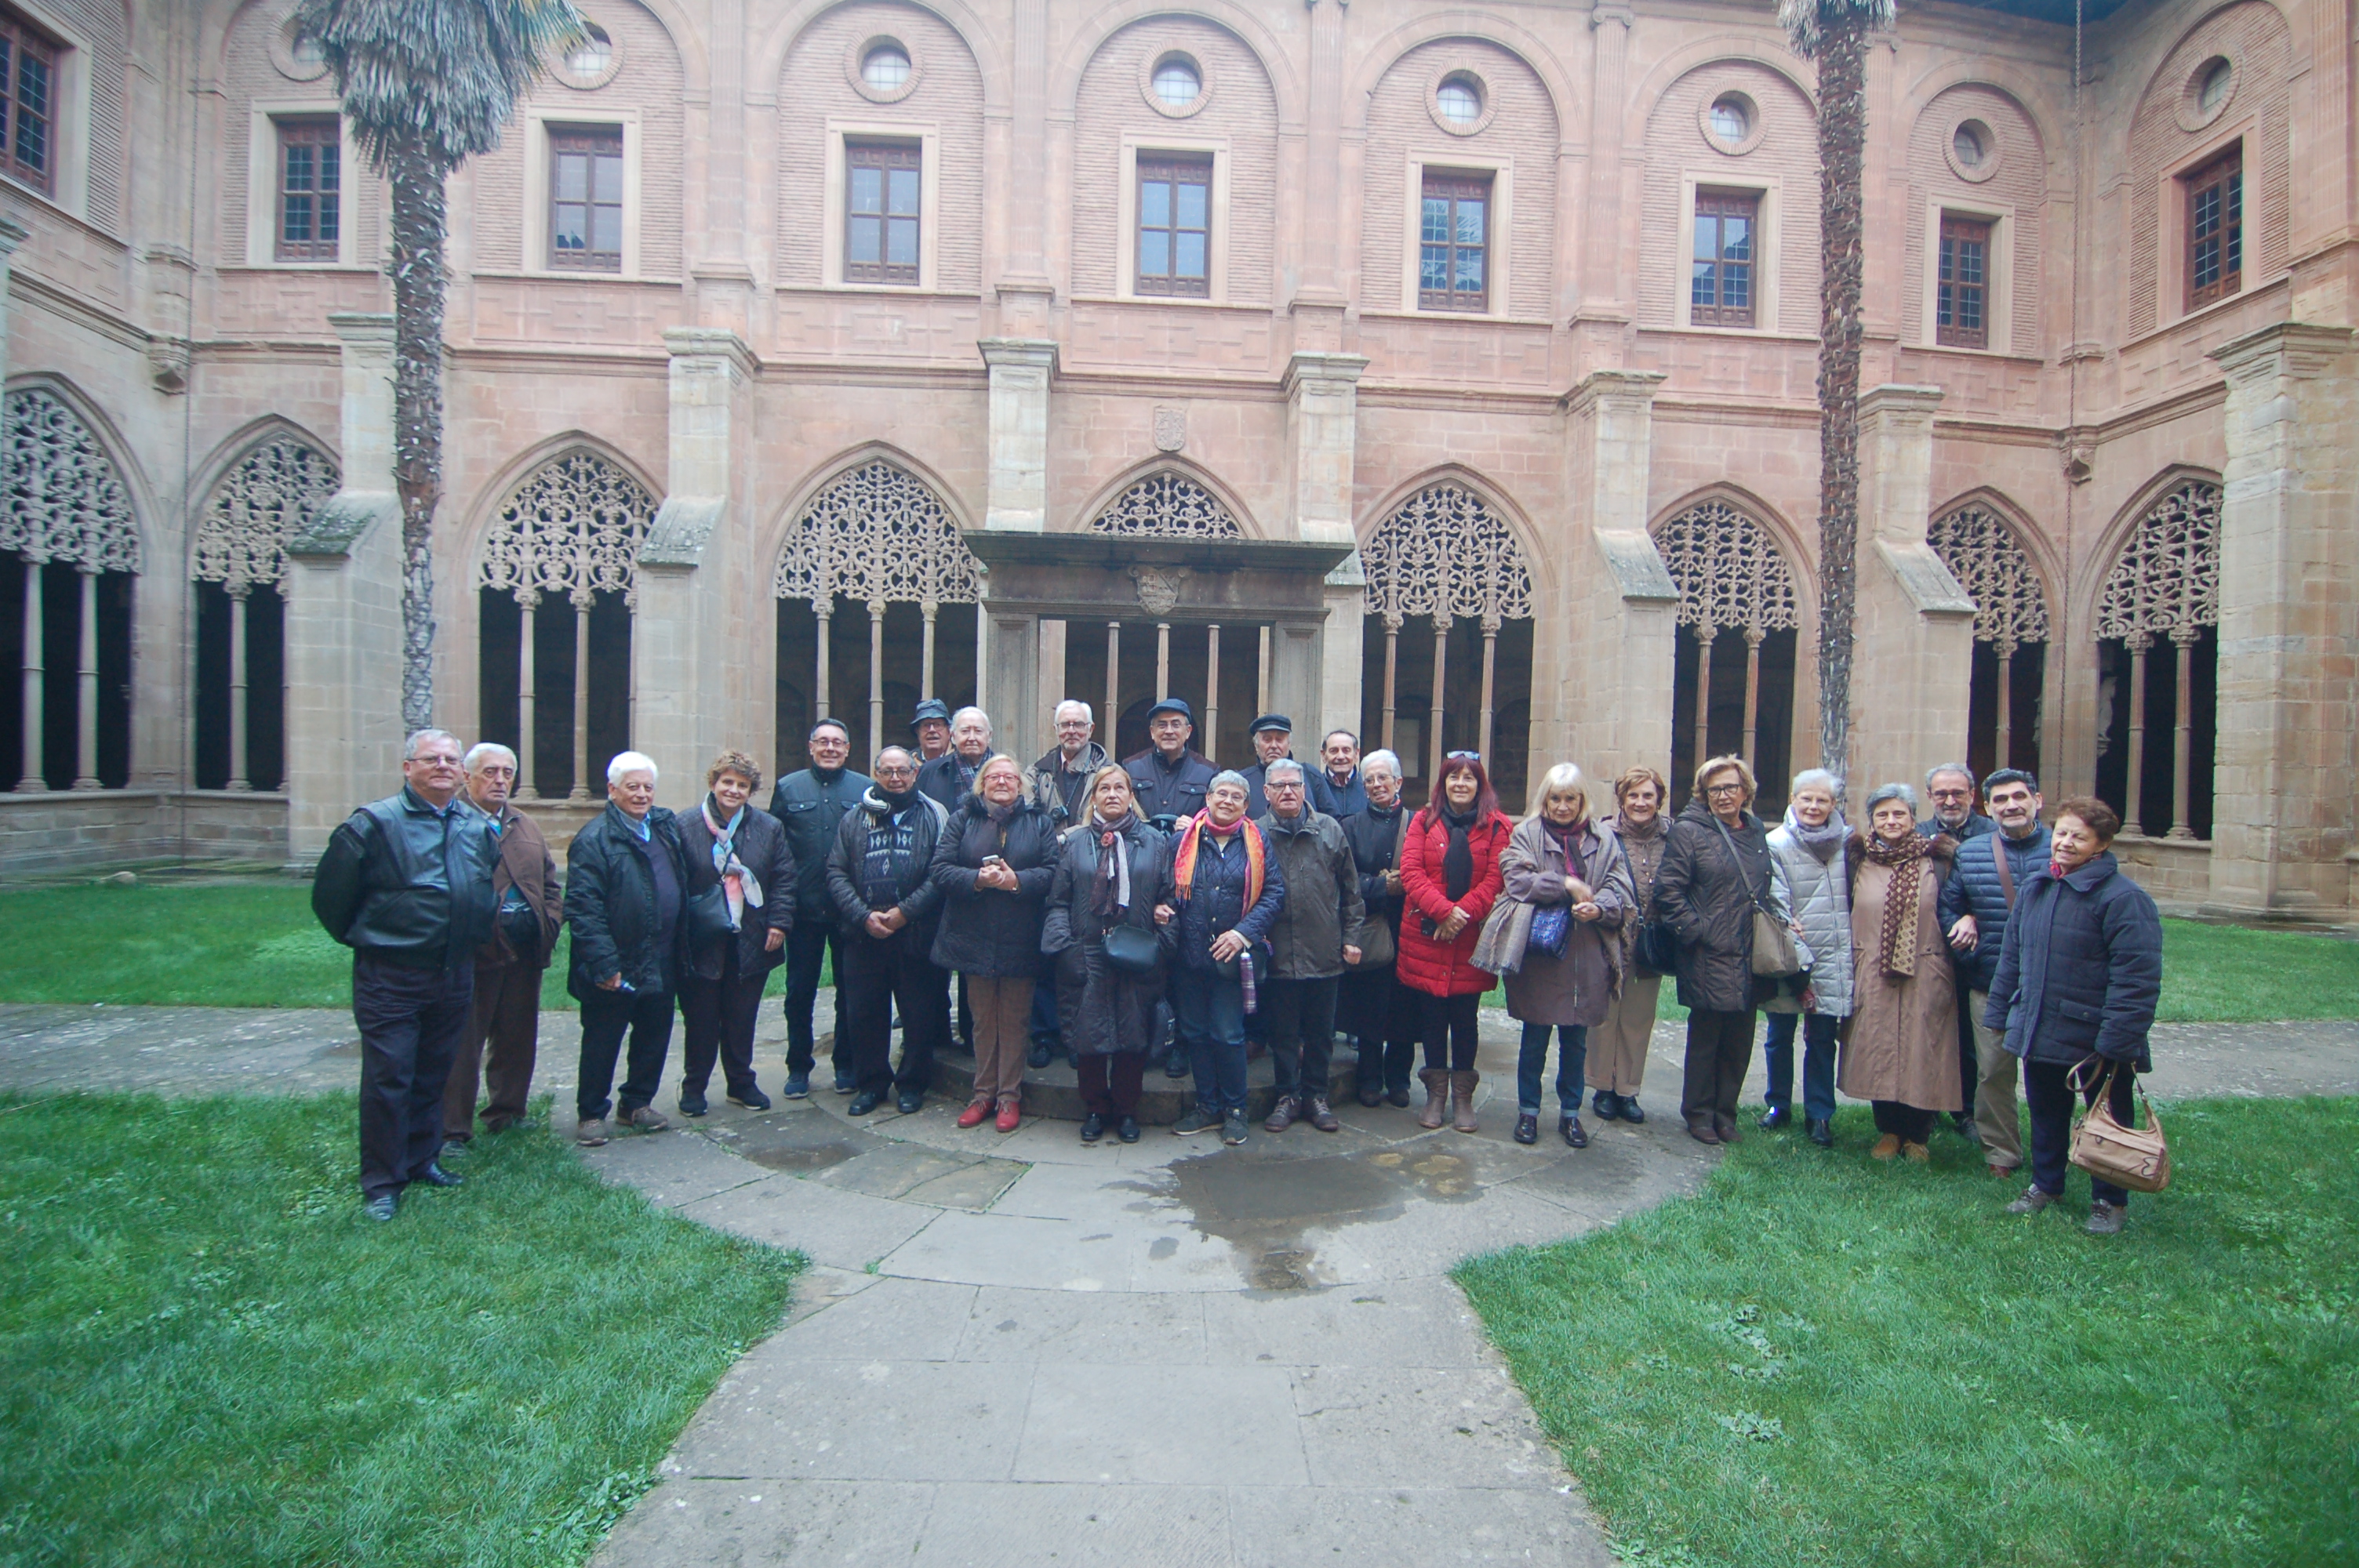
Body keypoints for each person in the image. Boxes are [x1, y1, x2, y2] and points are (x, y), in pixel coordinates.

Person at [311, 728, 498, 1221]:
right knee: (389, 1077)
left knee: (434, 1071)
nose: (443, 767)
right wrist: (378, 938)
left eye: (451, 760)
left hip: (453, 972)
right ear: (408, 767)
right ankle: (382, 1182)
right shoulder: (375, 823)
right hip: (392, 975)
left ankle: (421, 1160)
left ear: (462, 772)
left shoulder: (474, 826)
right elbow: (331, 899)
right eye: (431, 759)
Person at [1984, 797, 2161, 1236]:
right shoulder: (2037, 888)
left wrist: (2117, 1041)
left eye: (2078, 837)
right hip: (2041, 1026)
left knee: (2108, 1120)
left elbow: (2137, 979)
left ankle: (2109, 1201)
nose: (2064, 842)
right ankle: (2046, 1185)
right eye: (2061, 833)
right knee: (2046, 1111)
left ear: (2101, 844)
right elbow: (2012, 956)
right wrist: (2001, 1012)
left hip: (2097, 1036)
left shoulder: (2124, 899)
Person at [1478, 764, 1633, 1149]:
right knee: (1534, 1040)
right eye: (1555, 799)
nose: (1563, 807)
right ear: (1544, 800)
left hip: (1586, 954)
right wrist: (1565, 884)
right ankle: (1528, 1112)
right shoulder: (1526, 834)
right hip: (1541, 956)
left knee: (1575, 1043)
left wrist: (1599, 907)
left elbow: (1620, 887)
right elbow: (1516, 879)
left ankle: (1571, 1114)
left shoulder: (1604, 838)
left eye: (1570, 799)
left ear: (1582, 801)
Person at [565, 751, 693, 1148]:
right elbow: (583, 908)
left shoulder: (663, 828)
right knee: (603, 1038)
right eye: (632, 787)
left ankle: (636, 1103)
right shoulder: (594, 839)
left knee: (654, 1034)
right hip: (617, 959)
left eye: (647, 787)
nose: (641, 795)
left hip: (661, 953)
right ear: (612, 790)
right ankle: (591, 1113)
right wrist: (604, 963)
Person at [1041, 765, 1176, 1143]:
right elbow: (1057, 901)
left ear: (1131, 796)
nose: (1112, 794)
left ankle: (1127, 1109)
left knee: (1133, 1035)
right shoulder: (1074, 843)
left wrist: (1162, 942)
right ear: (1094, 797)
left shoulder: (1155, 842)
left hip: (1138, 953)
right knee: (1090, 1036)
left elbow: (1169, 895)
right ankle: (1096, 1108)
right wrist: (1066, 948)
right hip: (1086, 952)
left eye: (1120, 788)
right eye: (1104, 788)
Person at [1652, 754, 1779, 1146]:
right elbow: (1668, 891)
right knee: (1707, 1038)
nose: (1723, 796)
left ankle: (1726, 1114)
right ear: (1703, 795)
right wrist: (1697, 932)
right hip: (1707, 952)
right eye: (1714, 790)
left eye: (1730, 788)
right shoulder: (1689, 832)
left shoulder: (1755, 830)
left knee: (1739, 1040)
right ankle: (1699, 1113)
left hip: (1749, 950)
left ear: (1746, 792)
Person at [442, 742, 561, 1152]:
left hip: (524, 948)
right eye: (490, 772)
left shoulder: (524, 824)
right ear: (467, 776)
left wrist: (549, 921)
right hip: (473, 951)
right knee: (463, 1041)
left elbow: (550, 882)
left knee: (516, 1035)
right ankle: (452, 1128)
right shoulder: (450, 821)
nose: (500, 780)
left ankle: (507, 1112)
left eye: (507, 773)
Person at [1837, 782, 1963, 1162]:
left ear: (1913, 818)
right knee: (1878, 1048)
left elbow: (1959, 904)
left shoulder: (1938, 860)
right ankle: (1889, 1131)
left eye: (1899, 814)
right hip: (1873, 969)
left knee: (1923, 1049)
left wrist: (1968, 919)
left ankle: (1918, 1134)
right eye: (1882, 815)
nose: (1891, 821)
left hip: (1925, 968)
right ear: (1871, 820)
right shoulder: (1857, 860)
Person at [930, 754, 1056, 1133]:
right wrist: (977, 879)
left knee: (1015, 1020)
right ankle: (982, 1094)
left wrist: (1017, 881)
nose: (1002, 782)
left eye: (1010, 777)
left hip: (1021, 936)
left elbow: (1053, 872)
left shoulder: (1039, 822)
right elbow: (940, 869)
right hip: (974, 935)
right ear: (982, 783)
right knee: (983, 1020)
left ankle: (1009, 1097)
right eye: (994, 776)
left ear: (1021, 785)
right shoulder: (962, 819)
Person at [827, 746, 952, 1116]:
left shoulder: (933, 815)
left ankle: (912, 1084)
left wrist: (904, 913)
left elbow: (940, 871)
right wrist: (863, 915)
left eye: (902, 771)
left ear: (915, 774)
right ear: (876, 775)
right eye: (887, 772)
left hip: (915, 934)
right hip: (864, 935)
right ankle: (872, 1084)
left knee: (918, 1014)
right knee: (865, 1014)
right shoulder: (854, 818)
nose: (895, 778)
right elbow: (835, 871)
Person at [1939, 768, 2051, 1178]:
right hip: (1991, 982)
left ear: (2037, 801)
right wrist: (1964, 930)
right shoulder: (1971, 853)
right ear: (1987, 807)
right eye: (2000, 800)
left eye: (2019, 797)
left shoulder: (2061, 847)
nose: (2011, 806)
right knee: (1992, 1073)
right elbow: (1948, 906)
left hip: (2050, 985)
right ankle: (2002, 1153)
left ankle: (2054, 1152)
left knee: (2050, 1075)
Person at [1165, 771, 1285, 1145]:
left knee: (1228, 1035)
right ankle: (1207, 1106)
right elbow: (1165, 887)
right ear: (1208, 798)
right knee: (1196, 1033)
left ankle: (1236, 1111)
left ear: (1246, 805)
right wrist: (1161, 909)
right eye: (1221, 794)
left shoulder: (1257, 840)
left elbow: (1274, 894)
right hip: (1189, 957)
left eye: (1236, 796)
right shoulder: (1182, 841)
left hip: (1232, 960)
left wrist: (1242, 934)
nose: (1227, 801)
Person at [1398, 752, 1513, 1134]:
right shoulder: (1423, 821)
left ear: (1480, 785)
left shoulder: (1497, 827)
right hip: (1428, 935)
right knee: (1432, 1020)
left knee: (1465, 1020)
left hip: (1471, 939)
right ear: (1443, 783)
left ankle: (1463, 1097)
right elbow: (1411, 872)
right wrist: (1443, 912)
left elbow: (1495, 879)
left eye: (1469, 778)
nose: (1460, 784)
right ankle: (1436, 1094)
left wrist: (1459, 916)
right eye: (1453, 777)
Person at [677, 750, 794, 1117]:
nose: (734, 790)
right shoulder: (684, 826)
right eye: (727, 782)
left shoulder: (769, 828)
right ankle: (694, 1086)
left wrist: (779, 923)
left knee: (741, 1016)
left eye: (742, 785)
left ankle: (741, 1083)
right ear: (713, 784)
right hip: (702, 938)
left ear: (751, 791)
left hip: (751, 935)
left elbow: (784, 878)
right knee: (701, 1017)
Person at [1256, 757, 1365, 1134]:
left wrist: (1351, 938)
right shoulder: (1255, 834)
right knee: (1283, 1033)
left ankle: (1317, 1096)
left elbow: (1352, 892)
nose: (1288, 792)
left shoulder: (1330, 830)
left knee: (1321, 1033)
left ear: (1305, 789)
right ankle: (1287, 1096)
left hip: (1324, 950)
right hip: (1278, 953)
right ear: (1266, 792)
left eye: (1294, 785)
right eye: (1279, 786)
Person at [769, 718, 871, 1098]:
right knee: (799, 992)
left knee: (850, 990)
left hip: (848, 909)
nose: (830, 748)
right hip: (804, 909)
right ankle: (798, 1067)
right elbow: (775, 849)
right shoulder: (788, 787)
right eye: (823, 742)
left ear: (847, 749)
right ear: (811, 746)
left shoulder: (864, 789)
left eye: (837, 743)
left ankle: (845, 1063)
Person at [1760, 768, 1852, 1149]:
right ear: (1793, 800)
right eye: (1807, 798)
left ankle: (1820, 1114)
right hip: (1789, 951)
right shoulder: (1775, 843)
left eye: (1822, 800)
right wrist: (1795, 944)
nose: (1814, 806)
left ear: (1834, 804)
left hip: (1835, 952)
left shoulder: (1849, 844)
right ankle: (1778, 1104)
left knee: (1823, 1038)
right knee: (1780, 1033)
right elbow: (1776, 898)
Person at [1591, 767, 1670, 1125]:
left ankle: (1627, 1089)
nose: (1640, 802)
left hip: (1650, 942)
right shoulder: (1602, 835)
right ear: (1622, 799)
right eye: (1633, 795)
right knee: (1605, 1016)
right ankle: (1601, 1087)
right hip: (1609, 937)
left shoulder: (1673, 837)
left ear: (1659, 800)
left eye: (1648, 795)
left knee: (1638, 1018)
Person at [1339, 750, 1415, 1108]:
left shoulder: (1418, 824)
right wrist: (1382, 886)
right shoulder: (1351, 826)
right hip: (1370, 926)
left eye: (1383, 777)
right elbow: (1346, 881)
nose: (1376, 784)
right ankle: (1369, 1078)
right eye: (1369, 779)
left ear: (1398, 782)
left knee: (1405, 1006)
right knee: (1369, 1006)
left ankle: (1399, 1079)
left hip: (1408, 929)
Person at [1921, 761, 1994, 1138]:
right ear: (1929, 796)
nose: (1950, 801)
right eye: (1941, 793)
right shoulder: (1917, 835)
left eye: (1958, 793)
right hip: (1927, 948)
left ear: (1972, 795)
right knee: (1928, 1031)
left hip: (1975, 948)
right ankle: (1927, 1105)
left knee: (1969, 1035)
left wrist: (1974, 916)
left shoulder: (1993, 835)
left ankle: (1967, 1111)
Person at [1125, 696, 1218, 822]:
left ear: (1188, 731)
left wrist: (1193, 828)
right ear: (1152, 732)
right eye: (1162, 725)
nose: (1169, 731)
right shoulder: (1131, 768)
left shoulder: (1208, 773)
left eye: (1175, 725)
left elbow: (1214, 820)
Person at [917, 705, 998, 814]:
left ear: (989, 736)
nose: (972, 738)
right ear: (953, 736)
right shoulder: (929, 771)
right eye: (965, 731)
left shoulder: (1007, 772)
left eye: (978, 731)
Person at [1238, 713, 1295, 817]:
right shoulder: (1241, 782)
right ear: (1256, 745)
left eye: (1279, 739)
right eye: (1267, 740)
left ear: (1289, 744)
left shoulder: (1311, 777)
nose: (1274, 746)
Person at [1309, 729, 1368, 820]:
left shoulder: (1368, 786)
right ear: (1324, 755)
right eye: (1334, 751)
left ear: (1356, 754)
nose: (1340, 757)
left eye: (1346, 750)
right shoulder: (1314, 789)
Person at [911, 697, 953, 763]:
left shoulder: (960, 761)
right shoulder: (908, 762)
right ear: (917, 731)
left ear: (949, 730)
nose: (932, 730)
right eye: (926, 725)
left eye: (938, 725)